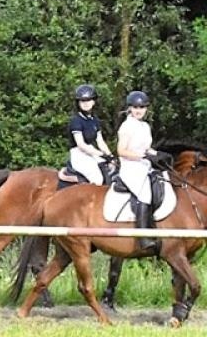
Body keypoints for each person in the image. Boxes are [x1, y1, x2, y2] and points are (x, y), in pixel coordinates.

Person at [115, 90, 163, 251]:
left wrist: (160, 155)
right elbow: (121, 151)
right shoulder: (127, 126)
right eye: (135, 107)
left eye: (142, 107)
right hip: (130, 167)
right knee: (144, 193)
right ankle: (143, 237)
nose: (139, 110)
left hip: (144, 166)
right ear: (130, 108)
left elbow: (147, 148)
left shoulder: (145, 126)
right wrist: (141, 156)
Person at [58, 83, 113, 187]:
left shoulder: (95, 120)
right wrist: (100, 154)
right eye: (82, 100)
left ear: (93, 101)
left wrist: (110, 156)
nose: (86, 103)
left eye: (88, 100)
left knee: (110, 170)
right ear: (78, 102)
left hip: (91, 152)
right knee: (97, 179)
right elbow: (81, 144)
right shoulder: (76, 121)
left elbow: (100, 141)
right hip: (79, 154)